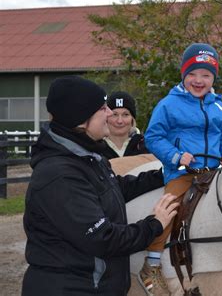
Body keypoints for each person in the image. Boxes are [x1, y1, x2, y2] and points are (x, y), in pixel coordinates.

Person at [22, 75, 178, 296]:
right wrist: (155, 225)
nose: (109, 113)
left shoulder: (84, 157)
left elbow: (116, 189)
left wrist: (166, 174)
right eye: (103, 108)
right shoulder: (60, 175)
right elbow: (103, 239)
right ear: (80, 118)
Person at [142, 43, 222, 294]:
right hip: (184, 174)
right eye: (193, 74)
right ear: (183, 75)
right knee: (169, 207)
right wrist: (175, 156)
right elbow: (153, 137)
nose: (199, 80)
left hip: (216, 173)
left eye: (206, 75)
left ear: (213, 78)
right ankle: (151, 264)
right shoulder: (168, 105)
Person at [102, 90, 149, 159]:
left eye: (125, 115)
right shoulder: (95, 149)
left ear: (132, 119)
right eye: (114, 114)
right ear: (106, 118)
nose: (119, 121)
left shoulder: (145, 146)